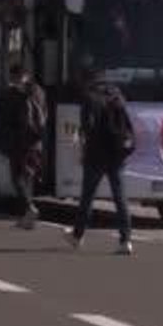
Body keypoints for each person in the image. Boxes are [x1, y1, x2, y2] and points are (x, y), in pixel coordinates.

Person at [67, 69, 137, 255]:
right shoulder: (117, 96)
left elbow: (87, 128)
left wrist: (83, 148)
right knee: (120, 197)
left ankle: (77, 236)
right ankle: (126, 240)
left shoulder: (90, 98)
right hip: (117, 154)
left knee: (87, 197)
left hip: (96, 155)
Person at [0, 64, 48, 229]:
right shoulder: (39, 91)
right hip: (36, 142)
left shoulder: (11, 94)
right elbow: (44, 114)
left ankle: (29, 208)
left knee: (17, 177)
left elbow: (1, 113)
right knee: (28, 176)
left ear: (15, 76)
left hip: (18, 142)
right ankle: (27, 217)